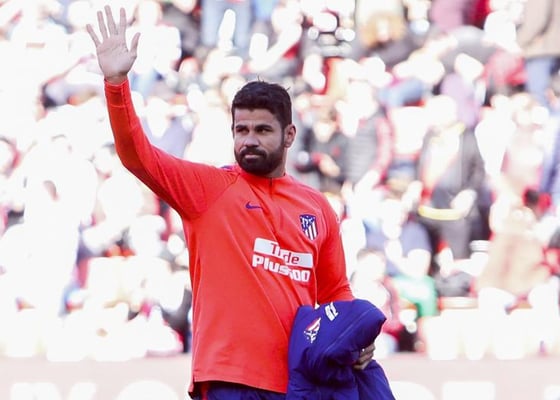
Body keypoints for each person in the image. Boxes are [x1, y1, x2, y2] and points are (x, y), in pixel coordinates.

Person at [86, 6, 376, 399]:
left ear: (290, 135)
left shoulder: (317, 208)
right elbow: (137, 156)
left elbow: (335, 291)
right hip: (228, 380)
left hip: (298, 384)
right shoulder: (208, 189)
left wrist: (355, 337)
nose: (249, 140)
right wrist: (117, 83)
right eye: (241, 130)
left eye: (262, 130)